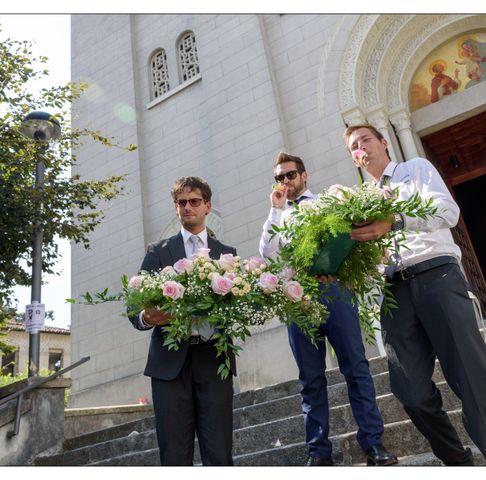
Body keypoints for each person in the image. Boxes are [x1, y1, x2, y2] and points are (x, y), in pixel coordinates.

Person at [343, 125, 486, 466]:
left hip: (437, 276)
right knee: (409, 392)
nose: (361, 147)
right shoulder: (357, 203)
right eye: (354, 146)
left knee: (473, 384)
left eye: (366, 139)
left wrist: (396, 220)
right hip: (395, 290)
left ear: (383, 142)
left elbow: (447, 212)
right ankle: (458, 461)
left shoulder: (416, 169)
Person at [259, 152, 397, 466]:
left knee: (356, 366)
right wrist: (275, 209)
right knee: (310, 379)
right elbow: (267, 252)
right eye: (279, 177)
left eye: (290, 175)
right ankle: (319, 453)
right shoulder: (277, 214)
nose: (285, 182)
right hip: (298, 298)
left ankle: (373, 444)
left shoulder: (326, 203)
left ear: (304, 176)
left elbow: (350, 238)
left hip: (336, 291)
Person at [129, 176, 236, 466]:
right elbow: (134, 305)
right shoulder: (158, 251)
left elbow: (237, 305)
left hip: (214, 360)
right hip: (169, 363)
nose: (188, 207)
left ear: (207, 206)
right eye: (181, 203)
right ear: (176, 208)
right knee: (174, 453)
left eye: (194, 201)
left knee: (219, 451)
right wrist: (146, 317)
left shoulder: (227, 255)